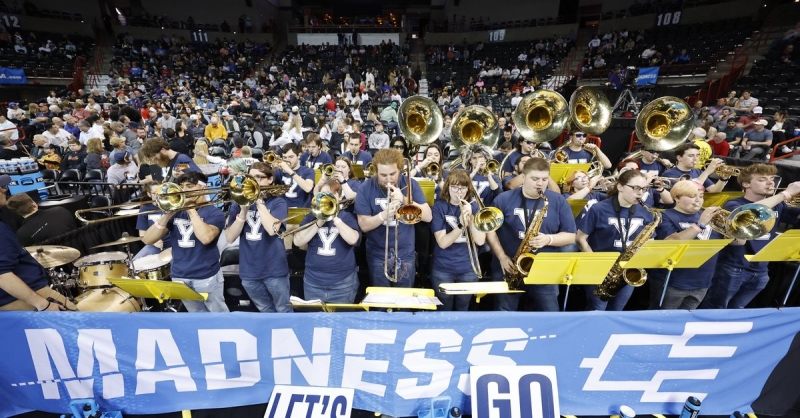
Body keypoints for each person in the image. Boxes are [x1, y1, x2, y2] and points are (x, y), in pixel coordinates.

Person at [701, 164, 800, 309]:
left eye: (772, 179)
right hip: (733, 267)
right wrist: (785, 194)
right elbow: (751, 210)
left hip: (761, 270)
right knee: (716, 309)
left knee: (738, 312)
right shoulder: (734, 204)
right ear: (746, 184)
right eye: (762, 179)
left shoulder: (778, 205)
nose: (770, 183)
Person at [486, 158, 577, 311]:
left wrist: (548, 239)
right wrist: (501, 257)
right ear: (523, 177)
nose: (540, 184)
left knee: (549, 314)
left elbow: (571, 235)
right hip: (509, 266)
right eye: (535, 179)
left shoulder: (558, 200)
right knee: (505, 313)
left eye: (544, 179)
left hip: (544, 269)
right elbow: (490, 230)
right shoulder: (503, 199)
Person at [142, 171, 229, 313]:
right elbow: (148, 239)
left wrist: (191, 210)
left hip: (205, 275)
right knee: (196, 316)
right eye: (182, 186)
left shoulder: (214, 213)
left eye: (189, 186)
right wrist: (168, 213)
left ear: (203, 188)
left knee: (218, 315)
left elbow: (206, 238)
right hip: (180, 274)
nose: (184, 190)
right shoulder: (176, 213)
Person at [577, 169, 656, 311]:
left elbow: (649, 241)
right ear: (620, 187)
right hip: (601, 269)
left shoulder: (646, 212)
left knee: (617, 312)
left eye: (644, 189)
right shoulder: (598, 209)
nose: (640, 193)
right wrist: (595, 264)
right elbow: (581, 238)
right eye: (636, 188)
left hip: (627, 271)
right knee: (597, 311)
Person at [355, 148, 432, 287]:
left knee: (404, 301)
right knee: (381, 301)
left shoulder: (410, 183)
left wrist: (403, 199)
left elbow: (428, 216)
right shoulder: (365, 188)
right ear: (375, 171)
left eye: (392, 174)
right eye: (383, 175)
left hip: (405, 252)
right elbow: (364, 225)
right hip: (377, 254)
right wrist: (383, 215)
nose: (389, 179)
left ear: (400, 170)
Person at [224, 162, 292, 313]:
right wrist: (242, 213)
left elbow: (272, 230)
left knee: (283, 311)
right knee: (265, 311)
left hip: (274, 270)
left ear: (270, 180)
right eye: (251, 177)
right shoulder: (238, 203)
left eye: (259, 177)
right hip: (249, 271)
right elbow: (229, 237)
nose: (254, 182)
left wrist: (259, 202)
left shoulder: (279, 202)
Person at [648, 180, 722, 310]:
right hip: (673, 281)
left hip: (702, 281)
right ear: (677, 198)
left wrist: (736, 229)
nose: (698, 200)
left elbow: (738, 243)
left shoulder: (711, 217)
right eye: (692, 196)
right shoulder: (664, 216)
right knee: (661, 320)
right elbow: (671, 243)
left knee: (684, 323)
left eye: (700, 196)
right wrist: (700, 224)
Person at [293, 179, 361, 303]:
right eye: (323, 194)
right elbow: (298, 242)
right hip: (313, 282)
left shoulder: (347, 216)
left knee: (341, 320)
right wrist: (320, 220)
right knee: (315, 320)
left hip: (343, 282)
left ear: (339, 197)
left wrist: (335, 218)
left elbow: (353, 240)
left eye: (331, 194)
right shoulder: (310, 217)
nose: (327, 197)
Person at [430, 169, 486, 311]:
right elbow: (442, 243)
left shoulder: (474, 206)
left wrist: (471, 219)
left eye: (462, 188)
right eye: (454, 187)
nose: (458, 192)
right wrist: (461, 225)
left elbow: (480, 241)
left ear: (468, 189)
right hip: (443, 268)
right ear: (448, 187)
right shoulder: (439, 207)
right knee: (444, 309)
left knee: (463, 308)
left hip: (468, 268)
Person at [0, 219, 74, 311]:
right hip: (29, 297)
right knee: (81, 323)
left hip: (18, 299)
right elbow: (2, 275)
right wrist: (43, 305)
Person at [6, 193, 78, 247]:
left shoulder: (22, 233)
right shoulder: (61, 210)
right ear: (34, 204)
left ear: (16, 213)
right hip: (83, 249)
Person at [662, 143, 728, 193]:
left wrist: (723, 178)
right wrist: (707, 171)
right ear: (679, 158)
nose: (695, 159)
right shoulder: (669, 174)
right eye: (691, 156)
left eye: (697, 156)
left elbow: (713, 190)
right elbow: (688, 192)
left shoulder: (698, 171)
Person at [134, 183, 172, 260]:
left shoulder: (170, 205)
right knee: (135, 262)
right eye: (155, 193)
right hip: (154, 246)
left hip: (172, 245)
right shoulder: (144, 209)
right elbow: (142, 234)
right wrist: (154, 242)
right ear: (149, 194)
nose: (159, 195)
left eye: (161, 193)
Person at [274, 143, 315, 208]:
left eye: (291, 157)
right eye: (284, 157)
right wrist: (271, 169)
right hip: (283, 210)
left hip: (302, 211)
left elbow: (308, 188)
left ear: (299, 155)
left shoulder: (308, 171)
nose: (287, 160)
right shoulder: (279, 171)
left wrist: (290, 171)